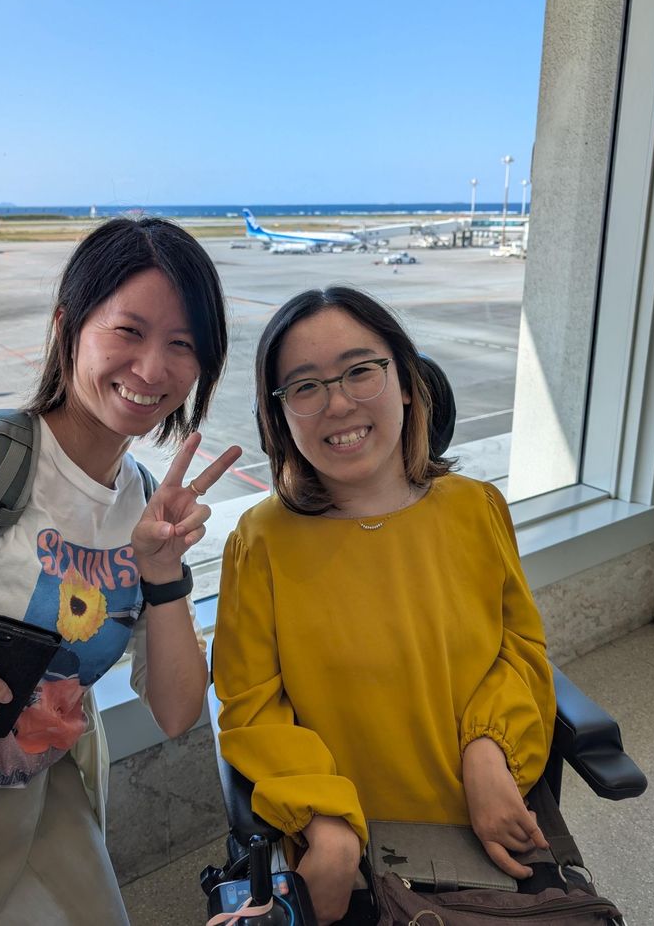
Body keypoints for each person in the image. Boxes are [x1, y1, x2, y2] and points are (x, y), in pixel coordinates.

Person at [0, 217, 241, 924]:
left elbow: (176, 711)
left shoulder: (144, 507)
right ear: (68, 326)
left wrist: (164, 576)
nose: (152, 369)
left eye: (183, 344)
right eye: (129, 331)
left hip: (42, 818)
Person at [213, 286, 555, 926]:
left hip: (485, 828)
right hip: (344, 855)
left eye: (360, 371)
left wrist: (490, 750)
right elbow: (249, 706)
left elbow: (520, 651)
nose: (338, 403)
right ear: (280, 417)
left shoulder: (476, 508)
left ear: (406, 384)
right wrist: (324, 820)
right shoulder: (259, 542)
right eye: (305, 387)